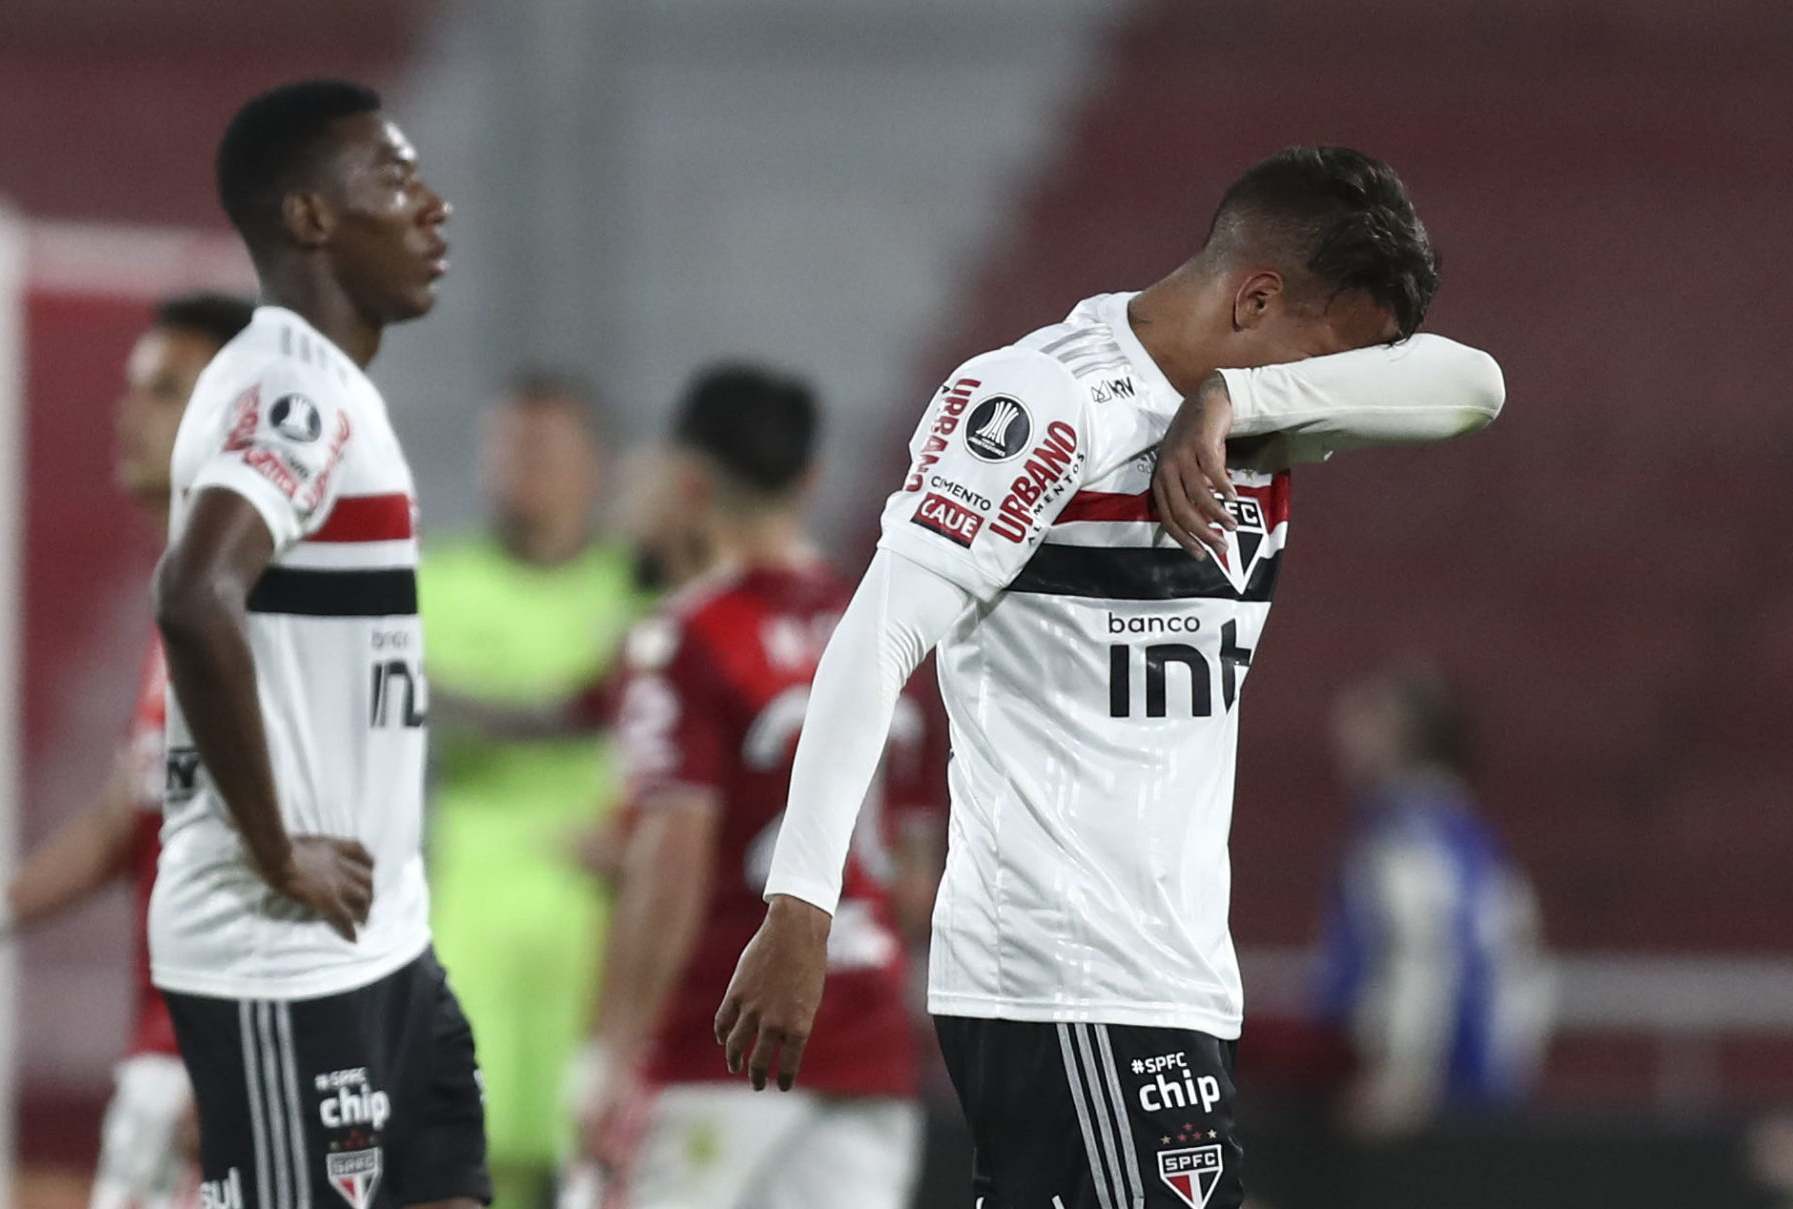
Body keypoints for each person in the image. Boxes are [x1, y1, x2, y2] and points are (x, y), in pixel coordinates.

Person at [715, 146, 1508, 1209]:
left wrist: (1234, 389)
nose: (1338, 394)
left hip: (1169, 976)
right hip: (1063, 974)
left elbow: (1475, 386)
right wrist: (800, 907)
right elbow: (875, 640)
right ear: (1256, 295)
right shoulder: (1042, 401)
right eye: (1333, 358)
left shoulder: (1262, 412)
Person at [148, 80, 487, 1209]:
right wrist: (276, 845)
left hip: (385, 947)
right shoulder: (288, 388)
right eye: (394, 179)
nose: (432, 207)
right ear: (308, 219)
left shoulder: (328, 387)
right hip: (280, 955)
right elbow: (196, 596)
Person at [0, 291, 255, 1209]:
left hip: (231, 1059)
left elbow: (324, 839)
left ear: (240, 414)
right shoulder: (188, 603)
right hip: (173, 1050)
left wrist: (243, 1052)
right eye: (133, 388)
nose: (130, 412)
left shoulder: (265, 610)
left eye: (164, 390)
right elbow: (133, 810)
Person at [569, 365, 942, 1209]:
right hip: (869, 1050)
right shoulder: (884, 631)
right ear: (809, 479)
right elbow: (916, 882)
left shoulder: (687, 637)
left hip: (717, 1048)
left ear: (688, 481)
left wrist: (620, 1053)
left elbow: (671, 865)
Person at [414, 375, 645, 1209]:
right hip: (475, 907)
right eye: (504, 449)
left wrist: (493, 707)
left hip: (604, 916)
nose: (520, 469)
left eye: (543, 449)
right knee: (480, 1156)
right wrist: (570, 708)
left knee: (606, 1151)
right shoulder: (438, 581)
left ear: (595, 468)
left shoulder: (637, 592)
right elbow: (416, 699)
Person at [1315, 661, 1550, 1139]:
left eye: (1367, 717)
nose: (1346, 730)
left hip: (1437, 1093)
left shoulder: (1411, 837)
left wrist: (1406, 1076)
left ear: (1400, 733)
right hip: (1473, 1084)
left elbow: (1425, 953)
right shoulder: (1464, 834)